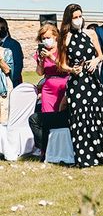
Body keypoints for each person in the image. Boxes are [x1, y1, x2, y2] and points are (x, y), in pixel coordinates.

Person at [57, 4, 103, 167]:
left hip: (94, 81)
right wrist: (72, 69)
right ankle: (86, 157)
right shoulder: (65, 38)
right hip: (77, 84)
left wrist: (95, 60)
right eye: (75, 17)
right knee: (80, 118)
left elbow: (100, 55)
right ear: (69, 19)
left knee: (100, 114)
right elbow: (61, 64)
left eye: (80, 16)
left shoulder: (91, 33)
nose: (78, 20)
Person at [29, 24, 69, 158]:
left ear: (55, 36)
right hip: (48, 88)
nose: (46, 40)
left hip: (63, 86)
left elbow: (65, 68)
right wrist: (41, 60)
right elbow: (40, 73)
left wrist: (51, 57)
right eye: (43, 38)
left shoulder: (63, 50)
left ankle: (62, 147)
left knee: (60, 117)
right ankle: (45, 149)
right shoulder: (41, 52)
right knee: (45, 118)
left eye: (48, 37)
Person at [0, 17, 23, 86]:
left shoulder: (14, 44)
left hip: (9, 83)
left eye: (2, 27)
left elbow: (17, 67)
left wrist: (12, 82)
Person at [0, 40, 14, 124]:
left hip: (3, 88)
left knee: (4, 119)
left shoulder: (6, 52)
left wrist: (0, 60)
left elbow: (7, 70)